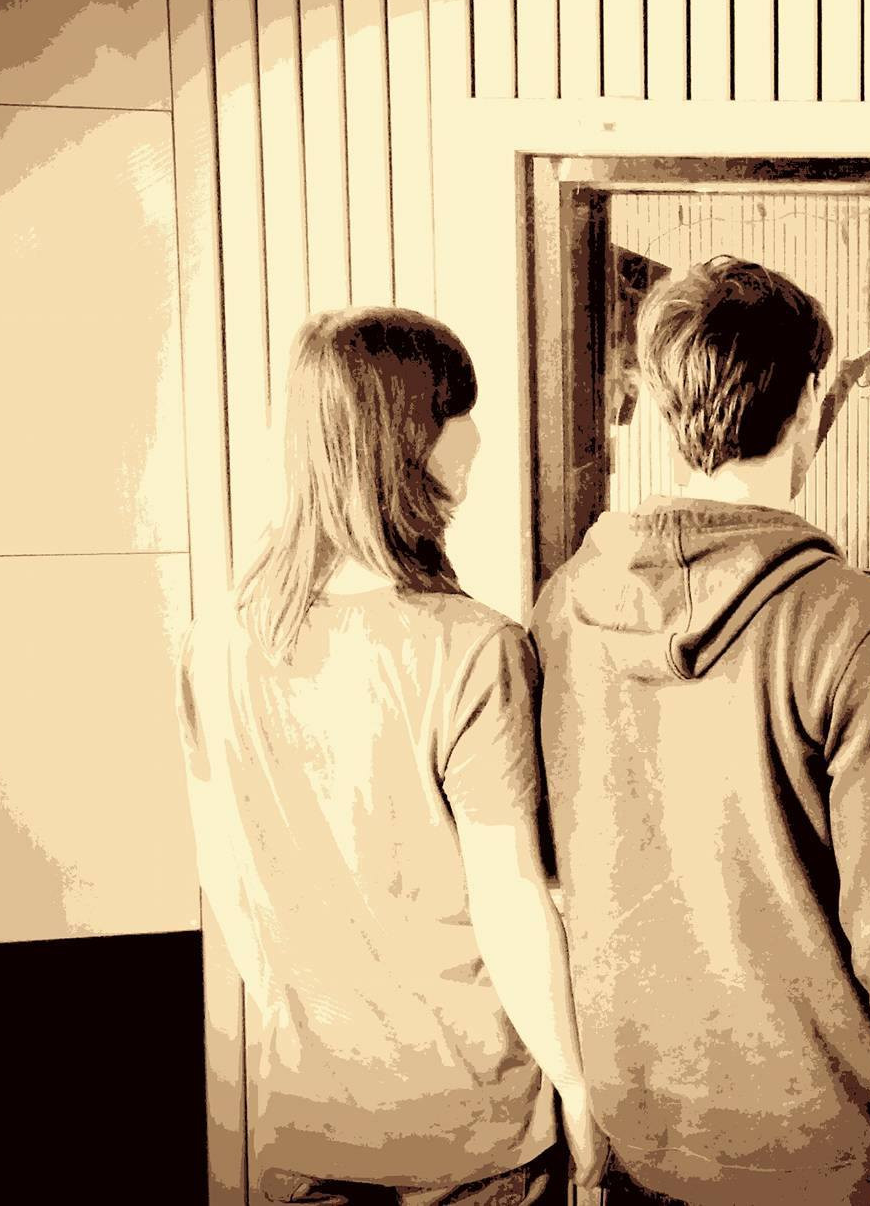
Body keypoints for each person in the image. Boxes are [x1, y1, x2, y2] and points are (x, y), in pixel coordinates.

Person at [528, 256, 870, 1206]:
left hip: (638, 1135)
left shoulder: (564, 607)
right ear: (813, 399)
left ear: (662, 408)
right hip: (826, 1154)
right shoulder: (859, 627)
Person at [175, 308, 599, 1205]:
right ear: (407, 437)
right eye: (457, 410)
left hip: (309, 1122)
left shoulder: (217, 643)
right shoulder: (472, 648)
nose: (476, 438)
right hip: (475, 1135)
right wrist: (577, 1087)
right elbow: (510, 902)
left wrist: (316, 1030)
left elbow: (228, 880)